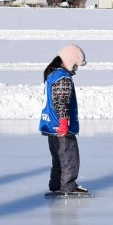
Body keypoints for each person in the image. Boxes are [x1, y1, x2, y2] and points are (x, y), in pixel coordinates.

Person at [39, 44, 89, 195]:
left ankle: (56, 184)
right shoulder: (63, 78)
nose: (76, 69)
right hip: (60, 126)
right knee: (69, 158)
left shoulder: (53, 74)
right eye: (75, 65)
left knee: (58, 159)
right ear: (69, 62)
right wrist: (63, 122)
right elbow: (61, 101)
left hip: (50, 125)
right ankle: (68, 185)